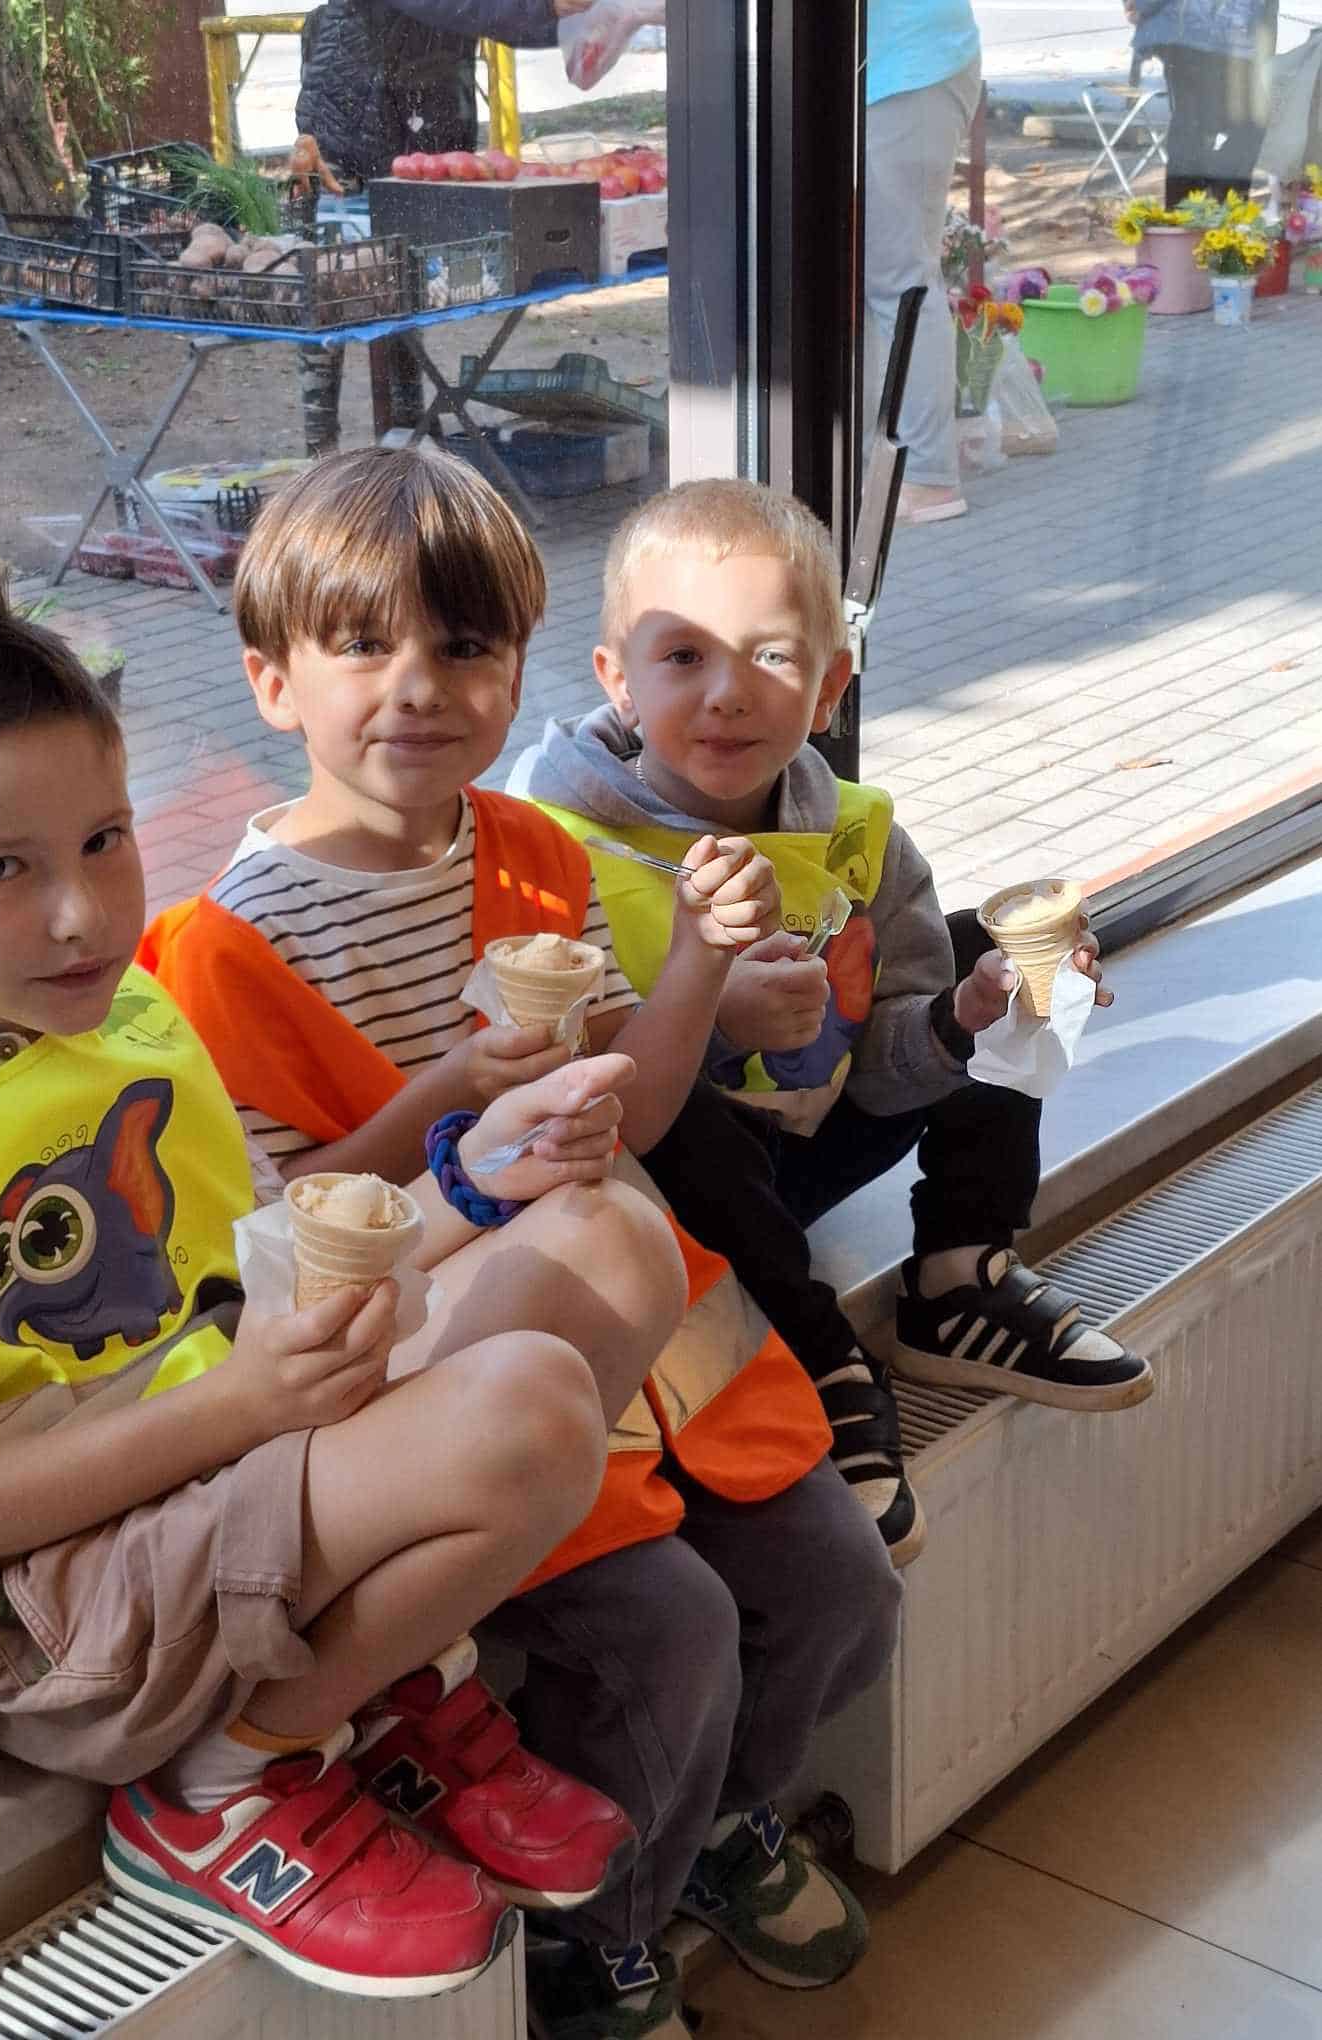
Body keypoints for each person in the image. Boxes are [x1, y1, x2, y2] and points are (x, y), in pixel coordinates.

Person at [0, 568, 694, 2001]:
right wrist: (242, 1410)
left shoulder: (124, 1013)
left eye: (104, 840)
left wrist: (478, 1175)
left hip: (225, 1458)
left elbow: (266, 1262)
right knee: (528, 1409)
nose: (83, 913)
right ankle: (222, 1779)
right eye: (2, 871)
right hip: (38, 1611)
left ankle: (364, 1687)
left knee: (613, 1240)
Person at [141, 447, 903, 2040]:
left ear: (520, 674)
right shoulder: (218, 952)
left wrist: (693, 964)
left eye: (466, 646)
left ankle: (711, 1831)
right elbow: (274, 1250)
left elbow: (635, 1110)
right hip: (442, 1379)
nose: (417, 686)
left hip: (645, 1324)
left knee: (839, 1584)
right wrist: (453, 1103)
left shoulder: (531, 856)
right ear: (272, 680)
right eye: (364, 646)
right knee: (673, 1634)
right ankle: (598, 1947)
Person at [509, 476, 1157, 1557]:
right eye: (684, 657)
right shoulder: (550, 847)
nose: (727, 694)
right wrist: (712, 1019)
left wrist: (967, 1016)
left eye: (770, 656)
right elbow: (566, 1106)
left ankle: (960, 1279)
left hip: (817, 1143)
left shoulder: (862, 840)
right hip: (674, 1191)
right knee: (674, 1115)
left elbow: (890, 1069)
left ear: (828, 688)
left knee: (978, 948)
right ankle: (818, 1357)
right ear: (617, 680)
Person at [293, 0, 595, 457]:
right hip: (351, 124)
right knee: (334, 287)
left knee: (406, 281)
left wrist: (588, 19)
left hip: (420, 118)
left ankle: (410, 432)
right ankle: (321, 455)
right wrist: (552, 11)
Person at [864, 0, 983, 526]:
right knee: (888, 279)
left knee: (900, 279)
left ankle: (929, 477)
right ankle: (898, 461)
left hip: (908, 70)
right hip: (903, 67)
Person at [1127, 0, 1279, 207]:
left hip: (1229, 37)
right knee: (1194, 125)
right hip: (1194, 33)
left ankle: (1208, 200)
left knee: (1242, 123)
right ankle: (1197, 206)